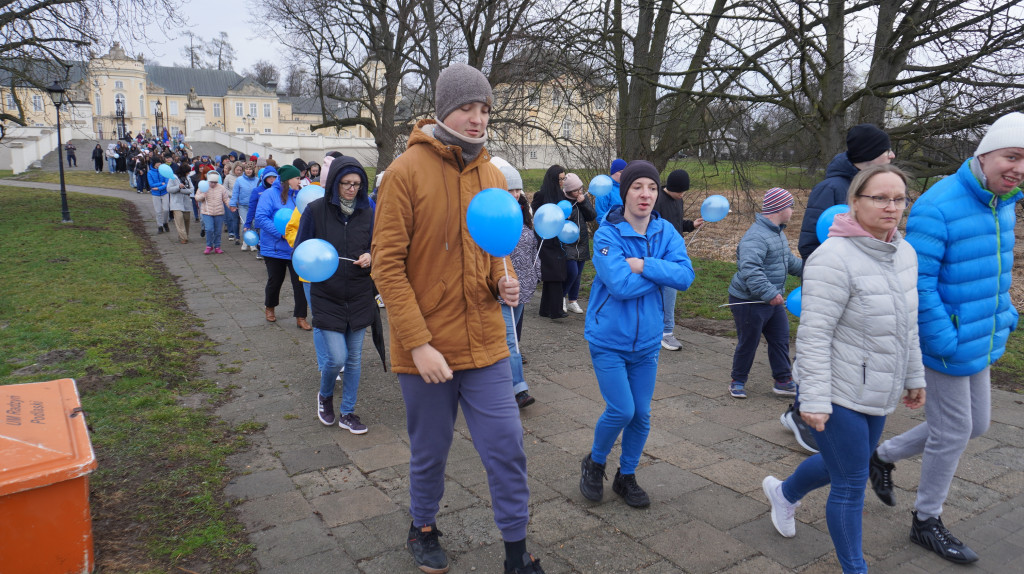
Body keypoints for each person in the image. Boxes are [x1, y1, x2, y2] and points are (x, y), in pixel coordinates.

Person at [371, 62, 545, 574]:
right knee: (431, 450)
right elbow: (386, 266)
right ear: (444, 109)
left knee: (507, 448)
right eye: (467, 107)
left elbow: (496, 250)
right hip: (426, 347)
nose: (477, 118)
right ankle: (422, 525)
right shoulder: (404, 173)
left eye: (485, 108)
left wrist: (503, 281)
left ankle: (516, 552)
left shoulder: (492, 174)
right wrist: (419, 343)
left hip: (487, 341)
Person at [869, 112, 1024, 565]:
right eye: (1011, 157)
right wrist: (943, 338)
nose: (1017, 169)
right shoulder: (940, 204)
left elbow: (993, 271)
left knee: (976, 426)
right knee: (954, 430)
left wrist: (1005, 312)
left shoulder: (1005, 201)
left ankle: (883, 456)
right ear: (984, 154)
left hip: (981, 333)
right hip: (948, 340)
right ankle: (926, 519)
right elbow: (917, 281)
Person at [762, 164, 926, 574]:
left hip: (878, 386)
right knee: (852, 482)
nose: (891, 207)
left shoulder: (904, 252)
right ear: (854, 202)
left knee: (847, 463)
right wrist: (813, 399)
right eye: (880, 198)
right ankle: (856, 568)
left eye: (899, 199)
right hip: (835, 390)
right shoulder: (833, 258)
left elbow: (907, 322)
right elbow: (814, 335)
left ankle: (784, 494)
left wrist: (914, 375)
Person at [579, 160, 695, 508]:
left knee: (641, 415)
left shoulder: (666, 233)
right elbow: (619, 284)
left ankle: (625, 476)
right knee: (622, 410)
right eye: (637, 187)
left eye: (652, 188)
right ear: (624, 191)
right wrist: (662, 273)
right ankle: (594, 462)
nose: (645, 194)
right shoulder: (607, 233)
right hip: (608, 340)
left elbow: (686, 277)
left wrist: (643, 264)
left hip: (647, 343)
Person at [784, 124, 896, 454]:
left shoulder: (875, 189)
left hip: (863, 289)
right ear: (868, 156)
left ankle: (834, 411)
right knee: (818, 350)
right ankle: (799, 414)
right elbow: (808, 243)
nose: (892, 156)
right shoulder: (830, 188)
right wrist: (838, 272)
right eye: (885, 151)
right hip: (830, 287)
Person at [295, 155, 376, 433]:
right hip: (326, 294)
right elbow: (301, 250)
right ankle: (325, 395)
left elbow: (379, 245)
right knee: (337, 358)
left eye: (357, 184)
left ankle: (348, 412)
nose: (352, 189)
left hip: (359, 292)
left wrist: (370, 256)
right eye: (346, 184)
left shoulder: (369, 211)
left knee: (354, 359)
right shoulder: (316, 211)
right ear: (335, 184)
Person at [726, 188, 802, 399]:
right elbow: (750, 269)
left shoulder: (778, 233)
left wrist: (813, 269)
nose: (792, 212)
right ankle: (738, 381)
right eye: (791, 207)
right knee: (748, 342)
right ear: (780, 209)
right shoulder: (756, 237)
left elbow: (789, 262)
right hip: (749, 301)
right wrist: (769, 293)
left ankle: (783, 380)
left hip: (770, 300)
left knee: (780, 338)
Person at [498, 162, 540, 409]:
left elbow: (533, 245)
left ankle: (498, 381)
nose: (515, 194)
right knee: (510, 340)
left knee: (509, 339)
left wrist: (536, 272)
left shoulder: (523, 210)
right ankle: (519, 389)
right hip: (501, 291)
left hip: (523, 289)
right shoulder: (492, 216)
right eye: (509, 189)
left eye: (518, 189)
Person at [254, 164, 310, 330]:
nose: (299, 182)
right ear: (287, 180)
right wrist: (281, 233)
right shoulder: (269, 194)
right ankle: (270, 307)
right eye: (297, 178)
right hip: (274, 248)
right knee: (275, 281)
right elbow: (261, 218)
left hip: (295, 247)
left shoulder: (299, 196)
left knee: (300, 283)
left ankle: (301, 316)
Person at [653, 169, 703, 350]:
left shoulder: (678, 199)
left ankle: (663, 330)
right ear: (670, 188)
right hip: (660, 253)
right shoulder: (656, 199)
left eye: (684, 192)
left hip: (675, 251)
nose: (682, 195)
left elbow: (676, 224)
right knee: (667, 290)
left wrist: (691, 225)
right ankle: (666, 333)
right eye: (679, 191)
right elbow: (653, 226)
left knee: (669, 290)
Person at [531, 164, 568, 319]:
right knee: (555, 274)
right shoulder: (540, 195)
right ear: (553, 179)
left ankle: (545, 309)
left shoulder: (562, 195)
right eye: (561, 179)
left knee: (554, 274)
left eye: (564, 178)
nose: (563, 181)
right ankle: (555, 310)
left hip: (557, 239)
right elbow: (537, 216)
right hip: (544, 239)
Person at [560, 173, 596, 315]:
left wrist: (584, 203)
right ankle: (561, 296)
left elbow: (592, 216)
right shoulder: (563, 202)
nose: (579, 192)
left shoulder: (582, 199)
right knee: (572, 272)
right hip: (568, 243)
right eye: (576, 191)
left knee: (578, 273)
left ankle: (573, 301)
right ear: (568, 192)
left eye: (580, 189)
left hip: (582, 242)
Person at [196, 172, 231, 254]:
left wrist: (230, 206)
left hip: (219, 212)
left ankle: (217, 246)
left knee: (218, 231)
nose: (213, 184)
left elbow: (226, 199)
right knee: (209, 229)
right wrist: (202, 196)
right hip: (207, 212)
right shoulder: (203, 186)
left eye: (215, 182)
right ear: (208, 181)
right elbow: (197, 197)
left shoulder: (221, 188)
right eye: (212, 182)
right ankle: (209, 246)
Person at [232, 162, 259, 251]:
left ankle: (252, 243)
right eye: (247, 169)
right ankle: (245, 241)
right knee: (245, 223)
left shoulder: (257, 180)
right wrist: (232, 203)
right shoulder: (239, 180)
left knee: (254, 224)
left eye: (250, 169)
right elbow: (235, 193)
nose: (248, 170)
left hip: (254, 206)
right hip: (243, 205)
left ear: (253, 170)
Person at [167, 162, 194, 244]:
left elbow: (191, 189)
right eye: (187, 171)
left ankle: (184, 236)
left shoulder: (188, 178)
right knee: (179, 220)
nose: (189, 173)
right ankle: (183, 238)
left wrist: (182, 190)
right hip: (176, 202)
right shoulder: (173, 178)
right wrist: (178, 187)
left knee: (186, 220)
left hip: (186, 202)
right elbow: (169, 189)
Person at [594, 158, 627, 222]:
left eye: (625, 172)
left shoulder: (627, 187)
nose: (624, 174)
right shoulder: (604, 189)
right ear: (613, 172)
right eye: (621, 172)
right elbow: (600, 215)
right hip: (612, 228)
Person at [147, 157, 170, 234]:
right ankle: (160, 226)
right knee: (158, 211)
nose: (159, 164)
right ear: (154, 164)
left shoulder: (164, 171)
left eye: (160, 163)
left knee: (166, 209)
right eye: (158, 163)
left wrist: (159, 188)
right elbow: (151, 184)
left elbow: (167, 183)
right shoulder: (150, 173)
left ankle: (165, 222)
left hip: (164, 192)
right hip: (155, 194)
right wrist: (160, 184)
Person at [223, 162, 244, 244]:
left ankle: (243, 236)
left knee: (242, 219)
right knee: (234, 219)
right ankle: (237, 236)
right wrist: (233, 195)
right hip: (232, 200)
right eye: (237, 170)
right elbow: (225, 188)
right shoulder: (228, 177)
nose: (239, 172)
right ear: (234, 169)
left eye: (240, 170)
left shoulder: (244, 177)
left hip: (242, 201)